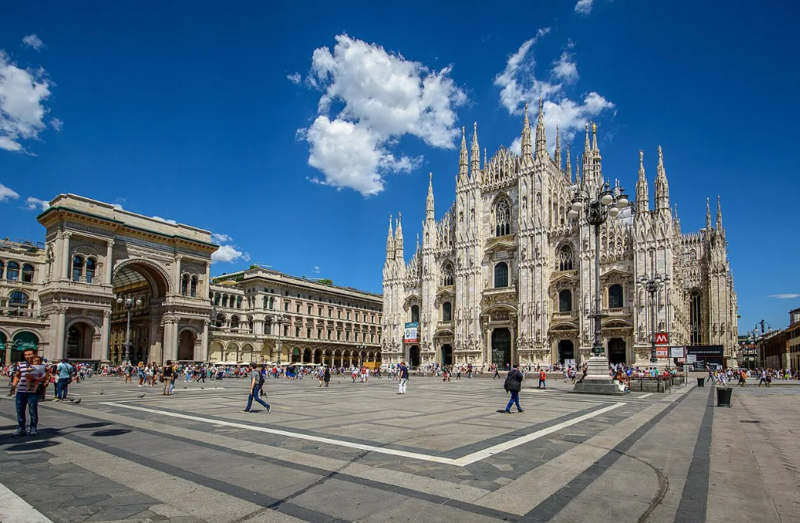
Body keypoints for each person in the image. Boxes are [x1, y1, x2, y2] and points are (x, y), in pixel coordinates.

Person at [10, 349, 41, 437]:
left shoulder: (39, 365)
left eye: (29, 354)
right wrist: (13, 386)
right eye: (25, 355)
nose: (27, 356)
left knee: (32, 410)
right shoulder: (21, 364)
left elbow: (44, 376)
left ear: (35, 354)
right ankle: (21, 428)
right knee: (20, 410)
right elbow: (17, 375)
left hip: (33, 391)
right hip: (21, 391)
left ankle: (33, 427)